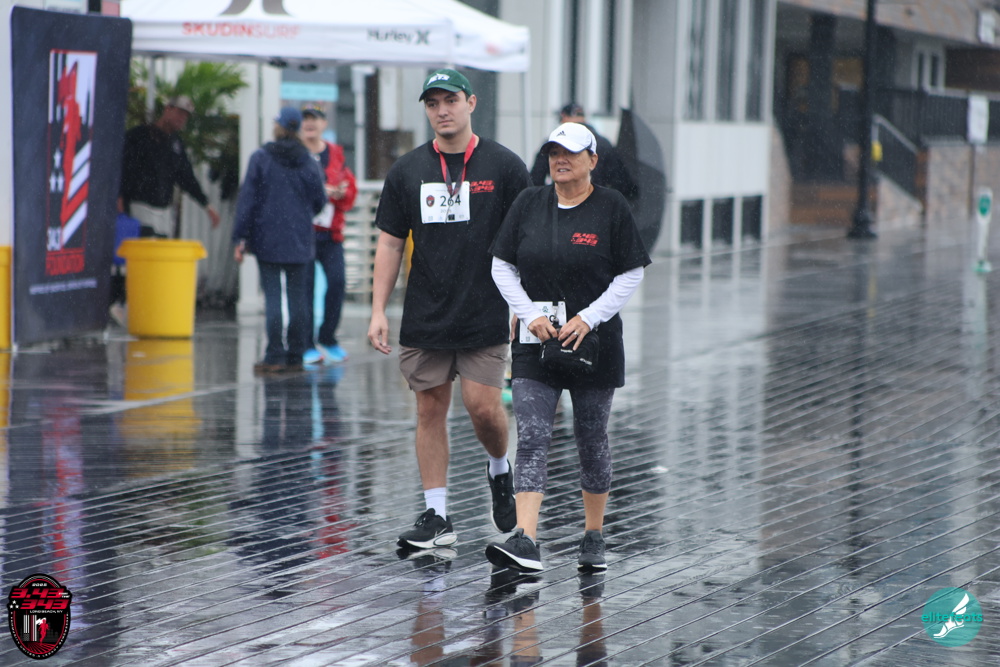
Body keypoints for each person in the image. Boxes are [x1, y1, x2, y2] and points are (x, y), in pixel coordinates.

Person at [368, 68, 531, 550]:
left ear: (471, 103)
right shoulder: (407, 170)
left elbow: (527, 240)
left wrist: (525, 303)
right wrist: (378, 310)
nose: (442, 110)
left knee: (483, 409)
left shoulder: (504, 166)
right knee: (429, 410)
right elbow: (390, 243)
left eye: (451, 100)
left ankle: (499, 467)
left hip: (485, 309)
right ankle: (437, 515)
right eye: (433, 103)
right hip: (427, 312)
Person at [485, 122, 650, 572]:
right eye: (554, 152)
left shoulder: (611, 207)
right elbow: (501, 266)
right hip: (535, 342)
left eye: (571, 153)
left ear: (592, 160)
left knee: (591, 439)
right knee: (533, 436)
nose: (560, 160)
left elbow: (631, 272)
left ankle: (593, 535)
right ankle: (525, 539)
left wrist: (589, 317)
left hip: (593, 342)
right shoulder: (529, 203)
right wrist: (529, 314)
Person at [232, 107, 327, 374]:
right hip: (299, 239)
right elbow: (320, 200)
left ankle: (274, 355)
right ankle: (296, 356)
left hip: (267, 238)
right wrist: (301, 216)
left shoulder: (261, 158)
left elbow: (247, 200)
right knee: (298, 301)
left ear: (279, 126)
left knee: (273, 299)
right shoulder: (308, 161)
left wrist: (240, 237)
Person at [299, 106, 358, 366]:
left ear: (324, 124)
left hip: (330, 233)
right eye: (305, 120)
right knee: (306, 289)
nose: (309, 124)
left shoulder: (335, 153)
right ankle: (306, 344)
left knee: (337, 281)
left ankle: (328, 336)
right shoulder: (295, 153)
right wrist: (320, 191)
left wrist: (342, 192)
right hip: (303, 234)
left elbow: (350, 187)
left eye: (314, 119)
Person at [119, 95, 221, 237]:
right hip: (138, 207)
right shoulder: (139, 136)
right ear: (168, 109)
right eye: (179, 113)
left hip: (164, 213)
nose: (182, 118)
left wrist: (206, 204)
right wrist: (119, 198)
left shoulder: (176, 144)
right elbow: (121, 169)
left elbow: (187, 178)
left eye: (185, 116)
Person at [528, 103, 635, 199]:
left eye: (571, 153)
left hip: (562, 204)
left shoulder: (553, 144)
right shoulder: (604, 144)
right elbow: (622, 184)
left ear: (564, 117)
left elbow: (535, 180)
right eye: (555, 154)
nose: (561, 160)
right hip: (597, 204)